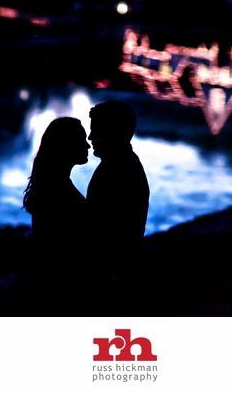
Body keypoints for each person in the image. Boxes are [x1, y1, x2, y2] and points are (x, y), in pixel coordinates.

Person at [17, 116, 91, 312]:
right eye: (81, 140)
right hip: (53, 286)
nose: (87, 145)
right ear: (65, 145)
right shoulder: (57, 188)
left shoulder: (52, 183)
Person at [85, 100, 149, 309]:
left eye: (96, 131)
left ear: (113, 132)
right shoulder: (120, 165)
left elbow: (108, 231)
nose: (90, 138)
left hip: (110, 274)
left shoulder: (118, 171)